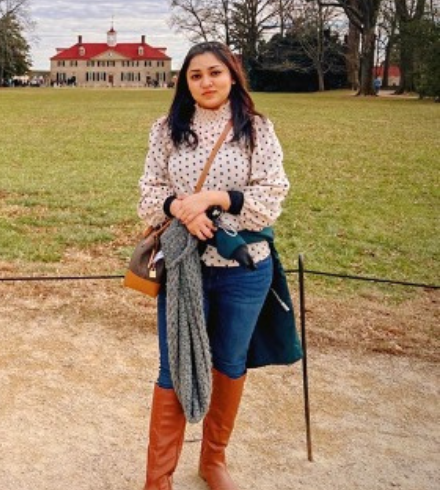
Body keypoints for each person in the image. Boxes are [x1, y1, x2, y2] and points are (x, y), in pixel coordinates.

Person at [137, 41, 302, 490]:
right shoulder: (167, 130)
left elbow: (270, 198)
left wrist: (213, 199)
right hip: (183, 269)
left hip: (245, 270)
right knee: (173, 367)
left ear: (232, 76)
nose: (206, 82)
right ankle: (158, 478)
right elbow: (149, 195)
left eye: (215, 73)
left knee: (229, 363)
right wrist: (181, 208)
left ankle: (213, 460)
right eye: (195, 75)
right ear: (184, 83)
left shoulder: (257, 130)